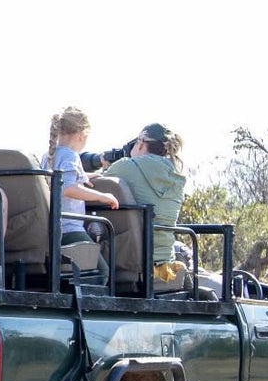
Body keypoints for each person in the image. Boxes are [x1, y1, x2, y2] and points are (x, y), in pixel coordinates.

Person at [43, 108, 120, 265]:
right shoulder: (71, 155)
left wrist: (83, 177)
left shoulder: (49, 155)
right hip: (70, 229)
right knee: (101, 271)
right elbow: (67, 188)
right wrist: (103, 196)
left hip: (54, 228)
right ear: (81, 136)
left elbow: (59, 179)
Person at [103, 122, 187, 265]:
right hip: (165, 259)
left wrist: (105, 166)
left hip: (133, 259)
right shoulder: (177, 178)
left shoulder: (126, 167)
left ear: (141, 142)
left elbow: (95, 187)